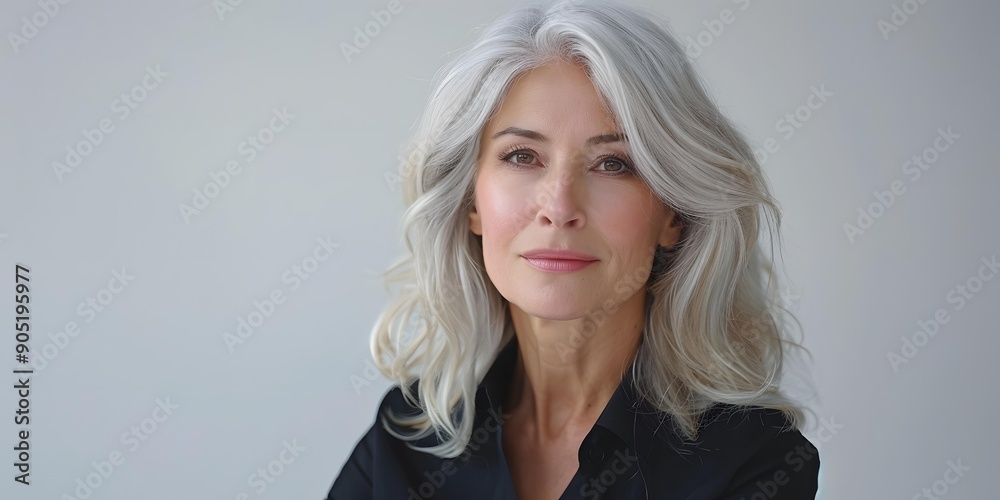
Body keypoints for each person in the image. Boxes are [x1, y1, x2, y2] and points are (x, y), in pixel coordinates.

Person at [328, 0, 820, 498]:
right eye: (522, 156)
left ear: (673, 214)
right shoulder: (404, 440)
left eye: (613, 164)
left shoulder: (752, 462)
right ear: (471, 202)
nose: (560, 206)